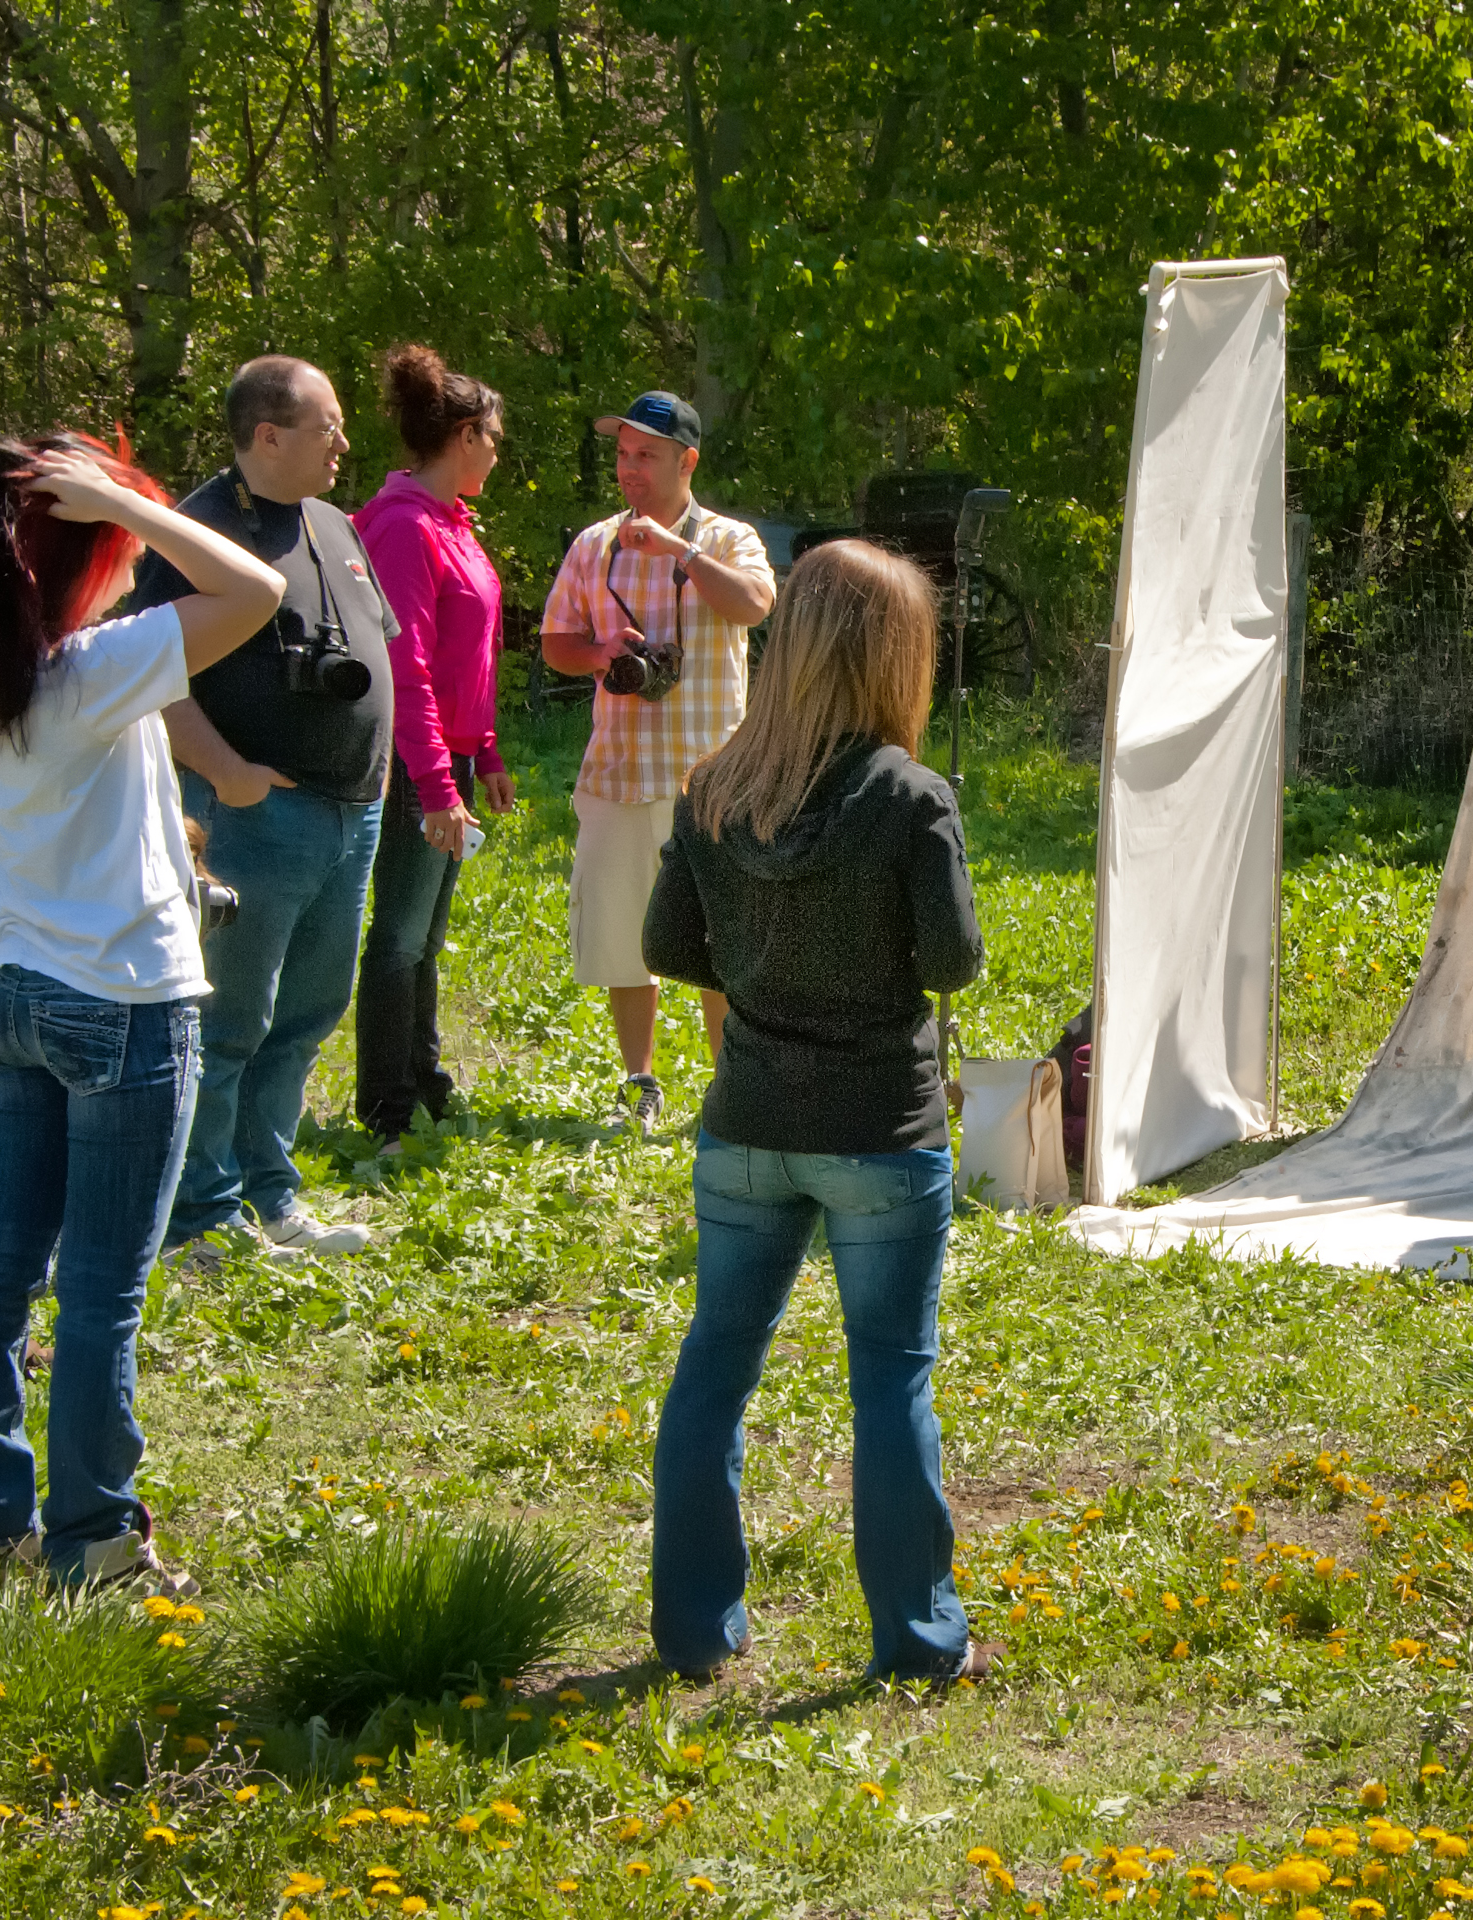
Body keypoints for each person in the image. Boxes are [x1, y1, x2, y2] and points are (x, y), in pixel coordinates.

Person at [0, 431, 286, 1589]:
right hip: (125, 1004)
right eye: (121, 535)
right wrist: (132, 510)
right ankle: (90, 1542)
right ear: (88, 548)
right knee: (99, 1293)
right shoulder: (91, 670)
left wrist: (103, 508)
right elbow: (258, 589)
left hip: (24, 991)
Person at [639, 538, 992, 1686]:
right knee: (889, 1375)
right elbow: (951, 963)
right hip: (879, 1130)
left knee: (716, 1366)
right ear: (896, 659)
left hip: (747, 1121)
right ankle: (918, 1640)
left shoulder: (716, 786)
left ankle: (695, 1631)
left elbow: (664, 949)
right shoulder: (907, 796)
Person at [131, 356, 396, 1258]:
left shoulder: (333, 523)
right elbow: (150, 675)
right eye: (329, 425)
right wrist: (229, 771)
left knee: (308, 1013)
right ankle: (200, 1217)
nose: (344, 441)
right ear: (269, 435)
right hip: (253, 815)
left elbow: (377, 649)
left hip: (349, 813)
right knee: (229, 1019)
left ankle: (270, 1197)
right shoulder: (196, 532)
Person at [540, 391, 775, 1133]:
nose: (629, 469)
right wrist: (601, 653)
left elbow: (755, 607)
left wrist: (681, 553)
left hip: (711, 780)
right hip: (618, 769)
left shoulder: (728, 539)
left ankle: (729, 1088)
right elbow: (555, 641)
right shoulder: (594, 545)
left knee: (721, 941)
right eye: (621, 454)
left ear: (687, 461)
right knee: (620, 935)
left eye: (646, 455)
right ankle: (639, 1081)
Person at [352, 344, 515, 1151]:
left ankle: (425, 1080)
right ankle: (385, 1101)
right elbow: (404, 663)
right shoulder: (403, 529)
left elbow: (466, 656)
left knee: (427, 934)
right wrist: (437, 785)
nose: (498, 450)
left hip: (450, 755)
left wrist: (483, 753)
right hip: (416, 764)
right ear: (463, 434)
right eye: (492, 435)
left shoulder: (455, 525)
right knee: (400, 935)